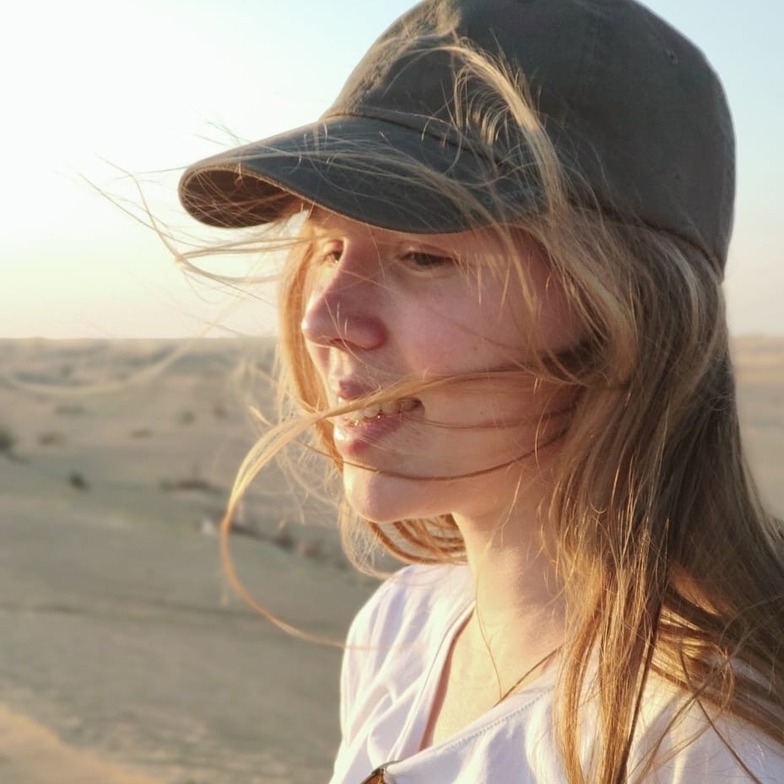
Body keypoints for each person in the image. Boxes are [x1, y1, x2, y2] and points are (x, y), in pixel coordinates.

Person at [177, 0, 784, 781]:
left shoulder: (711, 746)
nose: (323, 319)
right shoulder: (402, 627)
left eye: (423, 256)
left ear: (623, 312)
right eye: (328, 248)